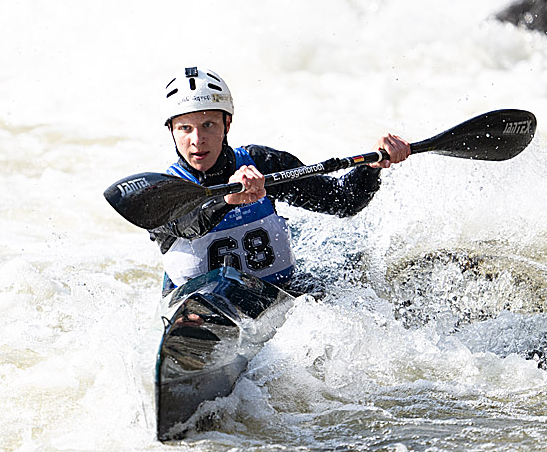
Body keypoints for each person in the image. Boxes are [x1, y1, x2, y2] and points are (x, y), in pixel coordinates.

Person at [152, 66, 411, 295]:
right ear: (172, 132)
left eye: (208, 124)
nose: (197, 140)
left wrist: (371, 166)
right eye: (185, 128)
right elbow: (187, 225)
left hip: (279, 296)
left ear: (227, 124)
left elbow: (344, 201)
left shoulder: (262, 164)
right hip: (199, 313)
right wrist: (228, 201)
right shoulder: (160, 193)